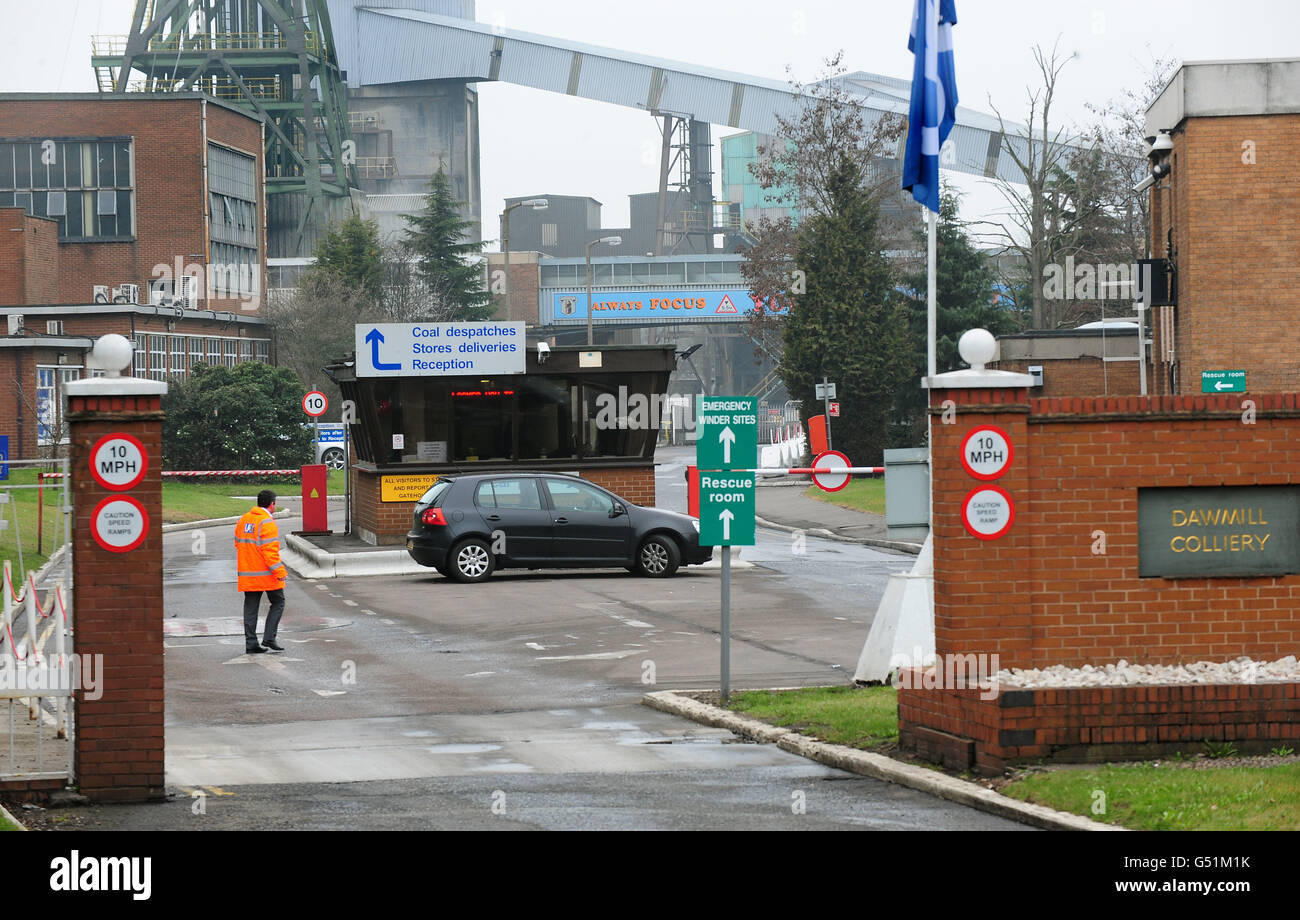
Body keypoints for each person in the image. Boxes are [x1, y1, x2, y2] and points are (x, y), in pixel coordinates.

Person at [235, 489, 287, 653]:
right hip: (266, 574)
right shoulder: (267, 523)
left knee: (250, 608)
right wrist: (280, 572)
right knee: (278, 602)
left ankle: (251, 643)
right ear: (272, 504)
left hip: (248, 573)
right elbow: (270, 552)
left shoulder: (244, 520)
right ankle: (269, 638)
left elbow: (238, 542)